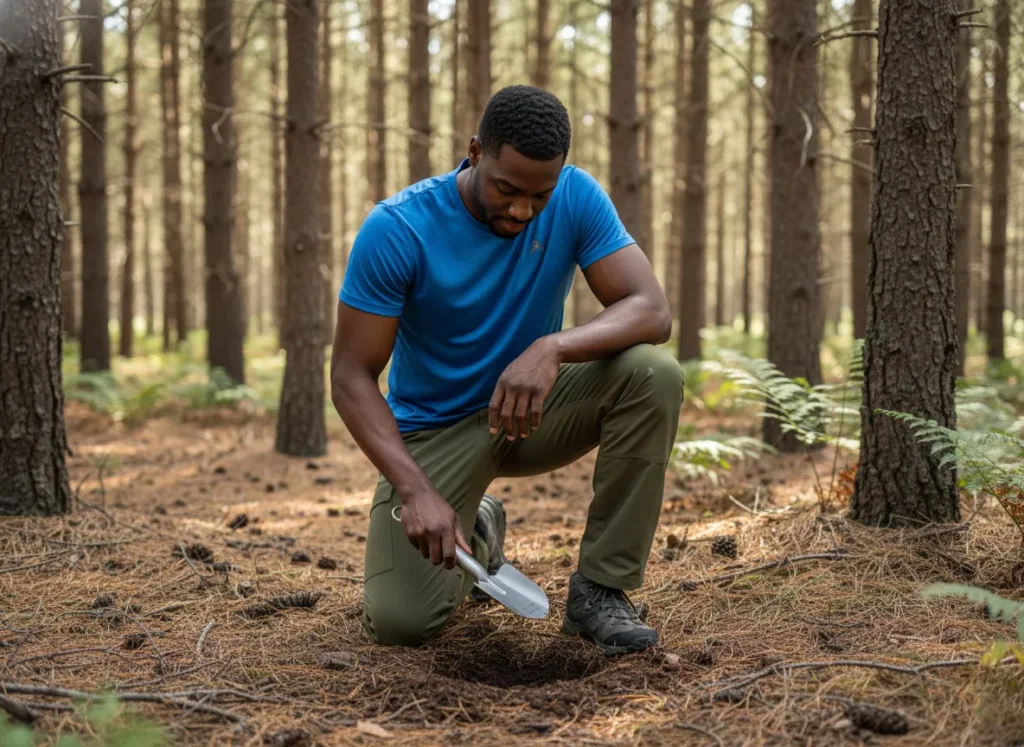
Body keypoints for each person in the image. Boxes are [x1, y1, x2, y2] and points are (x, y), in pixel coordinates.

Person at [330, 85, 683, 655]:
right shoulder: (398, 228)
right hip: (434, 431)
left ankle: (600, 590)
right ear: (475, 151)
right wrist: (414, 489)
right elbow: (350, 376)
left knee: (652, 374)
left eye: (539, 195)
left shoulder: (576, 196)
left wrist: (552, 348)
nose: (522, 209)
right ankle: (477, 522)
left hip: (533, 411)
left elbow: (652, 309)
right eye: (507, 188)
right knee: (402, 624)